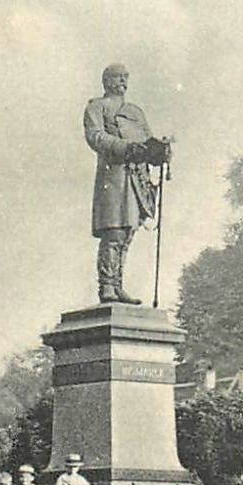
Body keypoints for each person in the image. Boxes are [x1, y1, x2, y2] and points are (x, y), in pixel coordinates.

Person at [83, 63, 172, 304]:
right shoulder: (96, 107)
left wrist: (159, 151)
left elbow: (146, 140)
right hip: (113, 177)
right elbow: (96, 137)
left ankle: (118, 284)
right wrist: (125, 147)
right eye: (117, 77)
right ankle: (107, 286)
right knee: (114, 230)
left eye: (125, 77)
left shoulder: (135, 111)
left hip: (136, 178)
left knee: (128, 231)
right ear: (106, 81)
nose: (122, 81)